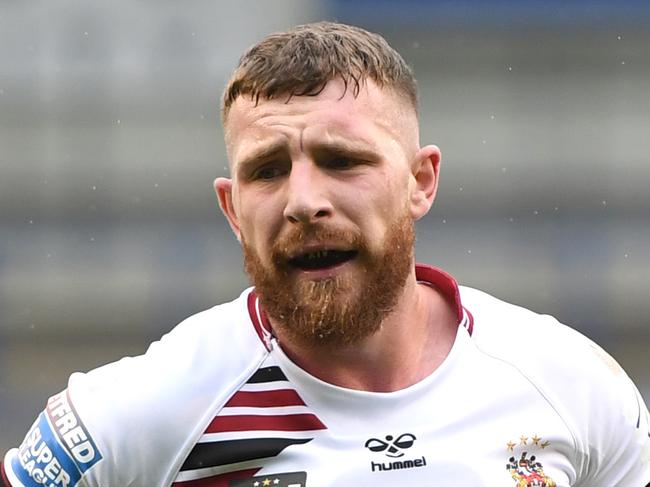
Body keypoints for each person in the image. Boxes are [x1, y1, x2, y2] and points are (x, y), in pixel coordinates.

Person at [2, 21, 648, 487]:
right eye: (267, 170)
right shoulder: (141, 409)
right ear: (232, 209)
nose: (303, 200)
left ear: (420, 182)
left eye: (343, 161)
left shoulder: (565, 380)